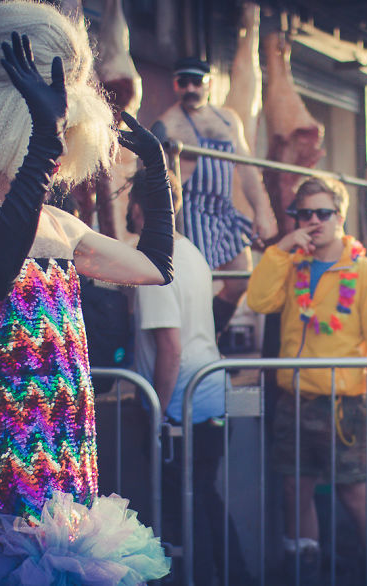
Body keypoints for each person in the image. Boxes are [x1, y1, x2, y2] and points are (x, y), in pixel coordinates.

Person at [0, 3, 170, 582]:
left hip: (71, 449)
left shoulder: (61, 224)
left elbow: (155, 267)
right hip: (4, 450)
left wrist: (156, 175)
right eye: (53, 130)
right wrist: (41, 144)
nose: (60, 147)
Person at [246, 177, 367, 585]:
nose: (313, 221)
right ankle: (305, 574)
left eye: (322, 213)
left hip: (342, 407)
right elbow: (259, 301)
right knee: (295, 490)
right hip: (293, 400)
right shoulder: (292, 263)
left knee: (354, 493)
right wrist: (280, 249)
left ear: (340, 216)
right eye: (304, 214)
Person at [128, 170, 251, 585]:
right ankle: (237, 575)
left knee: (187, 508)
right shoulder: (191, 252)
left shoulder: (153, 263)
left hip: (183, 409)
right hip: (211, 399)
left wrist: (157, 413)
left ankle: (213, 577)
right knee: (202, 497)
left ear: (138, 207)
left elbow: (171, 348)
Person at [151, 56, 278, 336]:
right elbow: (156, 179)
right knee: (197, 284)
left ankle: (213, 335)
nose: (190, 88)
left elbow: (247, 169)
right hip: (192, 214)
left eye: (196, 82)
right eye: (183, 82)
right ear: (175, 85)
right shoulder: (167, 124)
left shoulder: (228, 120)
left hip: (224, 211)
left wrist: (261, 211)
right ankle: (197, 341)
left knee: (240, 280)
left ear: (208, 84)